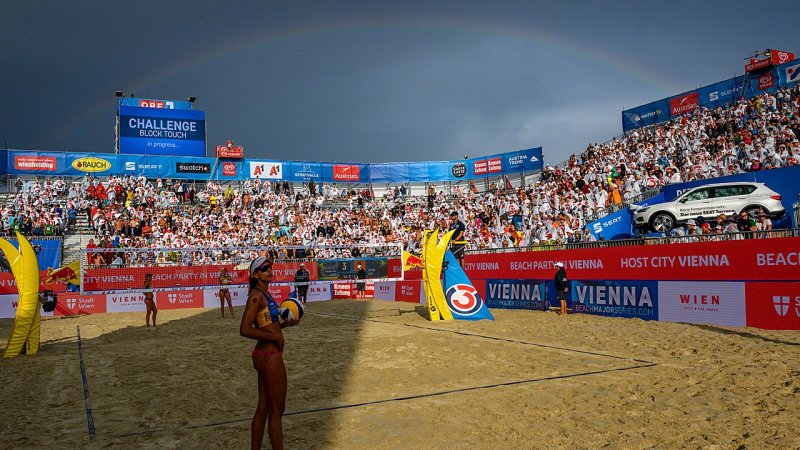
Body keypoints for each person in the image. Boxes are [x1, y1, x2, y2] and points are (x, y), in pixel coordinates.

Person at [240, 256, 298, 450]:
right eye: (264, 268)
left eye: (270, 267)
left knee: (264, 407)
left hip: (263, 354)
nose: (270, 270)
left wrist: (283, 326)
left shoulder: (265, 294)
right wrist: (274, 338)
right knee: (277, 410)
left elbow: (268, 326)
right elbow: (245, 329)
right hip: (270, 356)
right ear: (255, 274)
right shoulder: (257, 296)